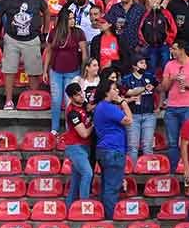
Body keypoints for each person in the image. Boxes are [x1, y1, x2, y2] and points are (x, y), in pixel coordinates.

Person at [0, 0, 46, 106]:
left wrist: (45, 31)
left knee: (34, 72)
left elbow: (46, 12)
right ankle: (8, 101)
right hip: (12, 39)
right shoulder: (6, 0)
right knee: (9, 71)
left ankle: (33, 100)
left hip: (32, 39)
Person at [159, 40, 189, 170]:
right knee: (173, 142)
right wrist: (172, 79)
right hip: (172, 107)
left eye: (174, 49)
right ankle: (174, 170)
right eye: (171, 49)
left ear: (182, 49)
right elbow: (164, 87)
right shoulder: (169, 65)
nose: (172, 51)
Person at [94, 78, 132, 218]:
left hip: (104, 150)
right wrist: (123, 102)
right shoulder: (108, 107)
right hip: (113, 150)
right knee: (112, 188)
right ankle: (110, 219)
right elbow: (129, 120)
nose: (116, 91)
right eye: (114, 89)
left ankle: (104, 216)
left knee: (106, 186)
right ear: (106, 92)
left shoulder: (100, 107)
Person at [121, 56, 157, 163]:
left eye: (145, 63)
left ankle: (148, 170)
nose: (144, 65)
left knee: (148, 146)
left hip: (149, 115)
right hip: (133, 116)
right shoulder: (126, 79)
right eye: (141, 63)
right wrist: (144, 88)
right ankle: (133, 171)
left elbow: (160, 89)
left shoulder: (150, 76)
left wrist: (159, 106)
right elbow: (128, 92)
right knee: (132, 147)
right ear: (134, 66)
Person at [63, 83, 94, 206]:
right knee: (88, 173)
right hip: (75, 147)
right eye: (77, 95)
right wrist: (94, 125)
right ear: (71, 98)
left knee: (76, 180)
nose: (81, 96)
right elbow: (84, 134)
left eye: (80, 92)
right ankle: (84, 206)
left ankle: (69, 207)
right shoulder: (72, 113)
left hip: (84, 147)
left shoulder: (84, 104)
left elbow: (93, 106)